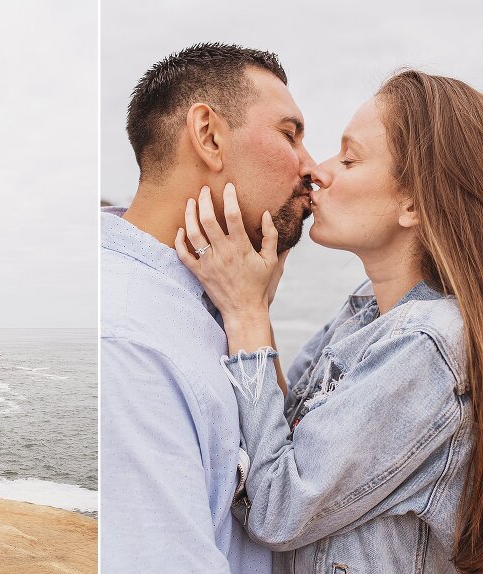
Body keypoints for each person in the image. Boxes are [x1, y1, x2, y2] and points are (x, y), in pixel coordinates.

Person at [176, 70, 483, 573]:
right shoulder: (367, 310)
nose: (318, 170)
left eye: (349, 158)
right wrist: (259, 308)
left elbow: (277, 508)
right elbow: (282, 443)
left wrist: (246, 314)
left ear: (413, 202)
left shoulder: (426, 344)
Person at [101, 43, 314, 572]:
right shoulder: (131, 341)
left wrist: (253, 314)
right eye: (289, 135)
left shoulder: (207, 296)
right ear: (209, 136)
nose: (312, 168)